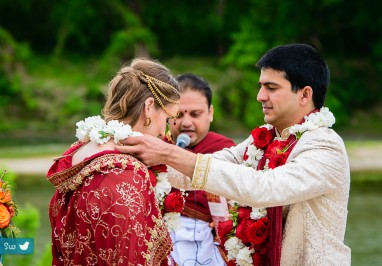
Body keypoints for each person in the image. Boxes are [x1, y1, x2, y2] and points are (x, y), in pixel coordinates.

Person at [116, 43, 351, 265]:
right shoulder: (264, 140)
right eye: (261, 86)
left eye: (271, 88)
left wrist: (167, 153)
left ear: (304, 94)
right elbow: (199, 171)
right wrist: (127, 149)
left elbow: (264, 188)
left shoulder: (325, 147)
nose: (260, 96)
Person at [46, 58, 181, 265]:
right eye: (168, 118)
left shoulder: (81, 149)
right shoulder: (126, 175)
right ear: (149, 107)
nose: (165, 131)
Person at [167, 73, 235, 265]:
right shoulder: (155, 149)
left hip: (210, 245)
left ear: (210, 113)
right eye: (178, 115)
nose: (186, 122)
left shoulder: (227, 150)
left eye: (195, 114)